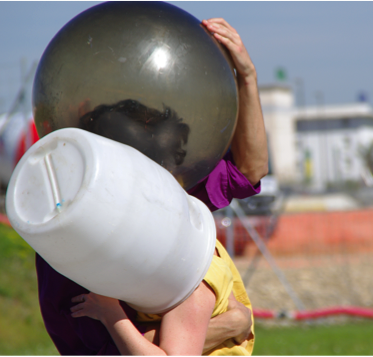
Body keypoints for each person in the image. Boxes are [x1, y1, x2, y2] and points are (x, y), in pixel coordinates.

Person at [36, 17, 268, 355]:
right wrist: (232, 324)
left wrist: (246, 78)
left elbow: (248, 172)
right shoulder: (76, 237)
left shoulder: (170, 203)